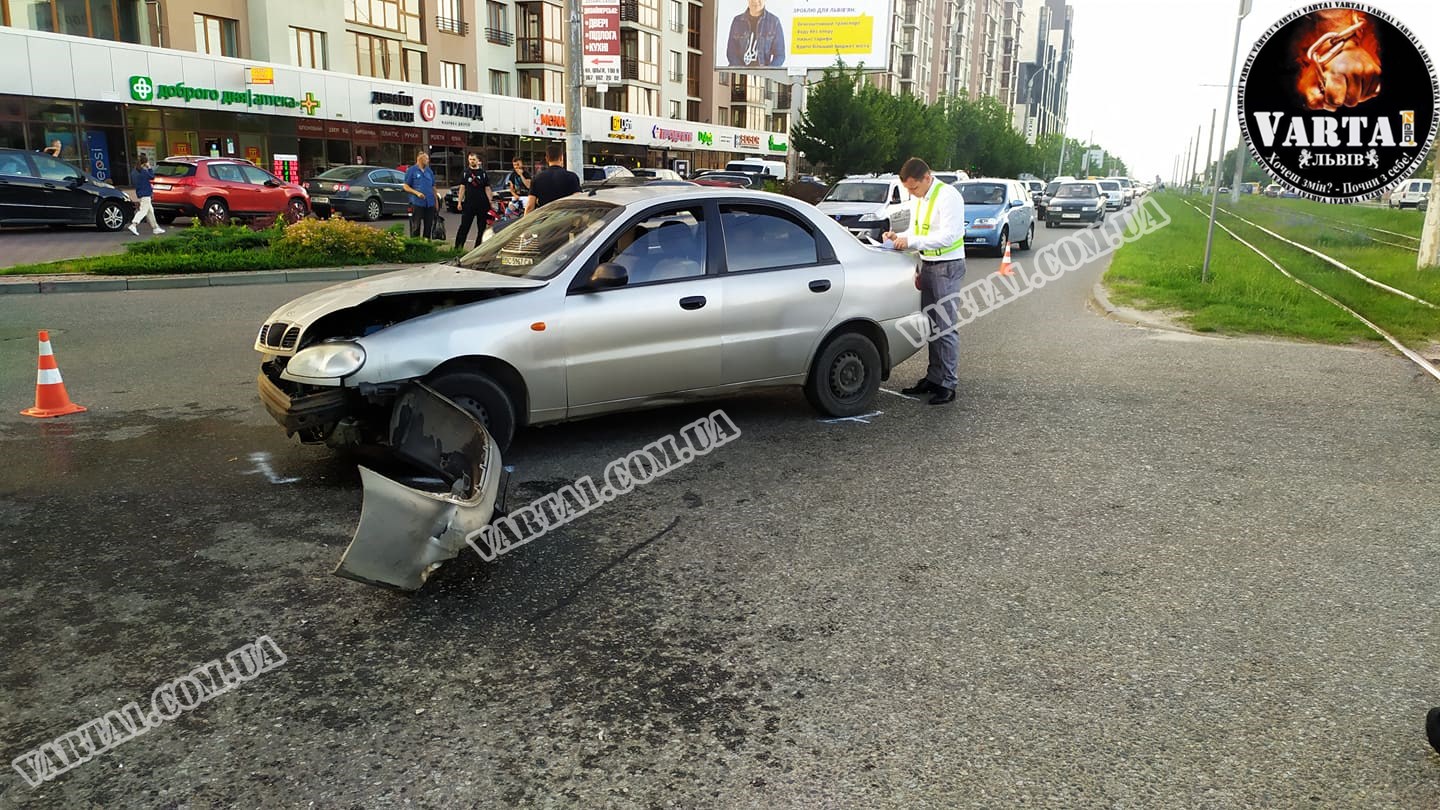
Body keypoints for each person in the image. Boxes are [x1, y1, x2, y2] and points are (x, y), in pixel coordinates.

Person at [883, 157, 966, 405]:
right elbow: (918, 232)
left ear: (927, 178)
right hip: (928, 265)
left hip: (947, 266)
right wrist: (899, 236)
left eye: (913, 187)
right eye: (908, 189)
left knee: (946, 327)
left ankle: (948, 383)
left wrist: (912, 242)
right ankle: (934, 377)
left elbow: (949, 235)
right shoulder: (920, 198)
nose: (911, 193)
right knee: (932, 326)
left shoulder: (948, 196)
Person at [524, 143, 581, 215]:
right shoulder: (572, 177)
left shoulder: (537, 178)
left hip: (545, 220)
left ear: (547, 159)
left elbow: (529, 206)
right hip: (566, 220)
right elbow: (578, 202)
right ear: (561, 158)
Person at [726, 0, 785, 67]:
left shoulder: (774, 22)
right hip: (740, 74)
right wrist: (742, 71)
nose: (755, 1)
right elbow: (731, 53)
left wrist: (767, 73)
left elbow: (780, 55)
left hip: (763, 75)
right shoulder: (737, 21)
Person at [454, 152, 494, 250]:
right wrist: (459, 202)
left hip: (482, 204)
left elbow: (487, 188)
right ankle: (458, 248)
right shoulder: (465, 173)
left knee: (481, 228)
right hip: (469, 204)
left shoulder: (483, 173)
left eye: (473, 159)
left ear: (478, 161)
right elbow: (462, 188)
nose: (472, 161)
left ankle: (478, 248)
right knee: (464, 226)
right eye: (470, 159)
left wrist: (490, 201)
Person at [402, 150, 438, 238]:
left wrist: (436, 201)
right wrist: (416, 193)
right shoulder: (412, 170)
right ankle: (415, 245)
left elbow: (433, 186)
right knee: (416, 226)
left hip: (429, 203)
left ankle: (426, 245)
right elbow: (406, 186)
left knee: (428, 226)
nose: (428, 161)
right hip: (417, 203)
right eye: (426, 159)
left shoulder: (429, 171)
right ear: (420, 159)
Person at [127, 154, 164, 236]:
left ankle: (155, 228)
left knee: (150, 211)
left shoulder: (134, 172)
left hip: (140, 193)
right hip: (146, 193)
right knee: (143, 210)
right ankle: (134, 224)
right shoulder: (143, 171)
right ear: (145, 163)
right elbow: (152, 177)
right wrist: (149, 168)